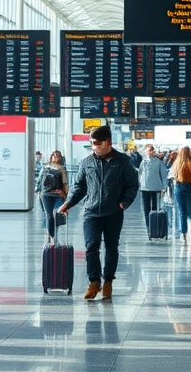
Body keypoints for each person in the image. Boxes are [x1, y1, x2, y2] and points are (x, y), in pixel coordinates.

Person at [58, 126, 139, 301]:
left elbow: (133, 184)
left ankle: (108, 280)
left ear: (107, 142)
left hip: (113, 212)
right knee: (91, 246)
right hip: (91, 212)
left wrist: (125, 203)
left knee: (111, 247)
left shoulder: (122, 161)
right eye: (91, 143)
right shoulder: (87, 163)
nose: (93, 146)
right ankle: (94, 281)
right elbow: (79, 186)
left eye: (96, 143)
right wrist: (68, 203)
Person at [170, 146, 191, 242]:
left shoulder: (176, 163)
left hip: (178, 187)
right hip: (190, 187)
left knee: (181, 212)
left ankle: (183, 235)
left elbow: (173, 176)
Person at [35, 150, 68, 242]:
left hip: (58, 194)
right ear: (51, 156)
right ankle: (51, 235)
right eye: (54, 155)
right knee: (49, 215)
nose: (56, 156)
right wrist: (38, 191)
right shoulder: (45, 167)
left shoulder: (62, 169)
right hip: (46, 194)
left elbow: (65, 184)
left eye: (58, 155)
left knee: (56, 212)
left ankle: (54, 233)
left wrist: (65, 196)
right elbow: (40, 179)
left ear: (61, 157)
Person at [138, 145, 169, 231]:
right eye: (148, 151)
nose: (149, 152)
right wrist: (141, 183)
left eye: (151, 151)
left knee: (155, 207)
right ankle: (149, 225)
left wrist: (164, 186)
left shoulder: (158, 162)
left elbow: (163, 175)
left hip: (156, 187)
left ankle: (154, 224)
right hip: (145, 187)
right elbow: (140, 173)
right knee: (146, 207)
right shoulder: (143, 162)